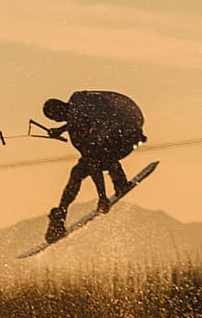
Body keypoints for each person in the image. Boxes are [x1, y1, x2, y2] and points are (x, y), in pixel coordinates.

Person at [39, 91, 146, 243]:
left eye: (55, 118)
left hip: (120, 139)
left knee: (80, 171)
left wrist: (102, 197)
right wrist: (62, 130)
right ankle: (119, 180)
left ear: (58, 114)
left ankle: (59, 217)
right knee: (100, 155)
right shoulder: (77, 99)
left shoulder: (77, 129)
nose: (57, 120)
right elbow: (86, 118)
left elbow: (93, 164)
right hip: (132, 130)